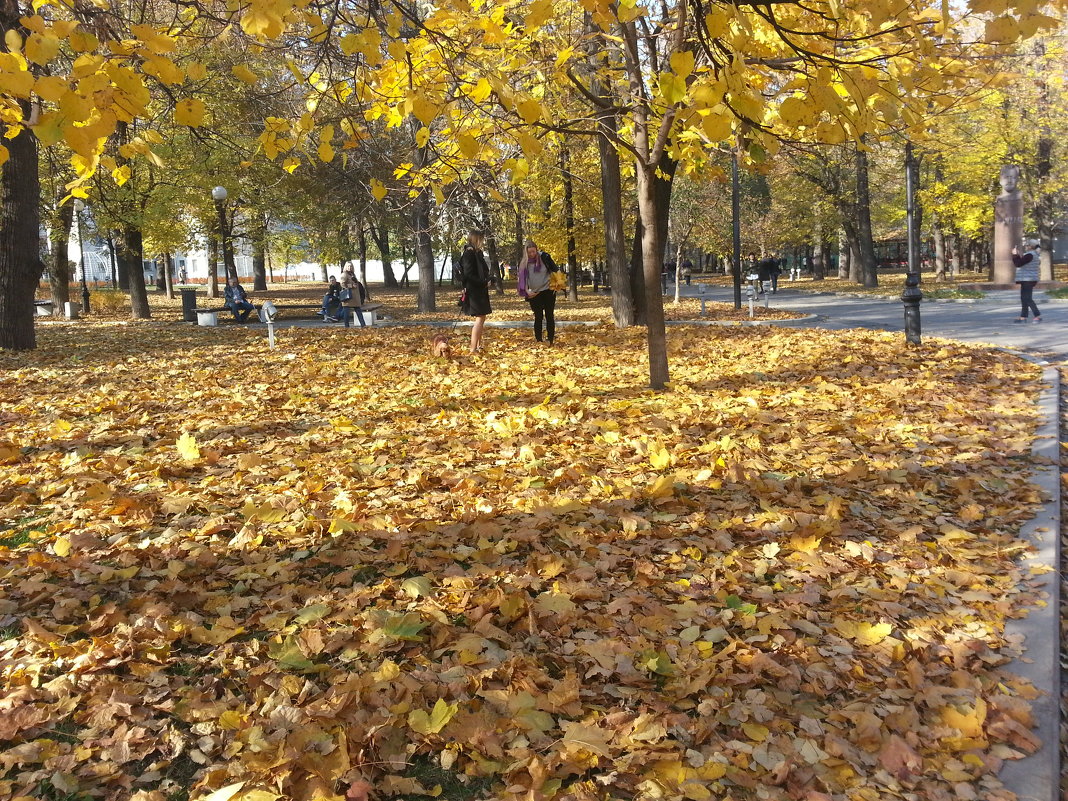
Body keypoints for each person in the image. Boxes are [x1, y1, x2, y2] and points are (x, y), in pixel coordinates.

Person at [518, 239, 559, 345]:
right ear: (526, 253)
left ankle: (550, 339)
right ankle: (539, 340)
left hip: (548, 290)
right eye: (529, 252)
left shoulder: (544, 257)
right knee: (538, 316)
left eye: (534, 251)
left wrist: (556, 284)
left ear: (536, 250)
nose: (532, 254)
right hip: (534, 293)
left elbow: (555, 270)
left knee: (549, 315)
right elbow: (523, 280)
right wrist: (527, 292)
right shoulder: (524, 263)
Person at [458, 230, 494, 352]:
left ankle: (478, 346)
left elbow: (484, 270)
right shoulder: (469, 253)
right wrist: (483, 282)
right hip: (475, 291)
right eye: (481, 239)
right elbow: (468, 275)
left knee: (482, 317)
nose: (483, 242)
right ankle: (473, 348)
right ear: (476, 239)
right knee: (479, 318)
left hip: (480, 290)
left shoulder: (478, 253)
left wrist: (488, 279)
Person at [1012, 240, 1041, 323]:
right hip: (1027, 279)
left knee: (1027, 298)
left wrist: (1015, 255)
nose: (1025, 246)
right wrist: (1017, 255)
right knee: (1024, 298)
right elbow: (1023, 263)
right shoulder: (1033, 254)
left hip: (1028, 279)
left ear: (1030, 246)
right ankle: (1023, 317)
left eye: (1026, 245)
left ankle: (1037, 316)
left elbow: (1018, 264)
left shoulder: (1030, 255)